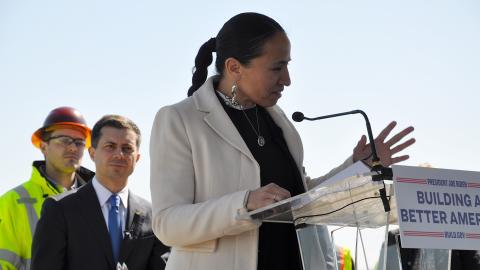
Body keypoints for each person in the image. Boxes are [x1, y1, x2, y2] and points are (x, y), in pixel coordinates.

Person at [150, 12, 415, 270]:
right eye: (277, 67)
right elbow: (167, 224)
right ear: (234, 68)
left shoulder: (280, 122)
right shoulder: (179, 119)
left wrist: (358, 167)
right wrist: (244, 203)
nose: (287, 80)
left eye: (287, 65)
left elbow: (301, 198)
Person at [31, 115, 169, 270]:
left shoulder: (153, 214)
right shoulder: (59, 209)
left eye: (127, 148)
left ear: (137, 158)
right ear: (92, 153)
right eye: (110, 146)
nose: (119, 154)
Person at [0, 106, 94, 270]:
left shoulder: (99, 201)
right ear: (44, 146)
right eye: (64, 140)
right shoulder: (11, 203)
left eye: (79, 142)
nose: (73, 148)